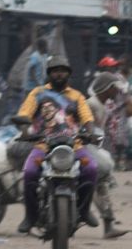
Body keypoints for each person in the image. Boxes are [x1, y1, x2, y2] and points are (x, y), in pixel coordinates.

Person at [14, 58, 100, 233]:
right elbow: (24, 114)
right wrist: (24, 131)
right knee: (29, 173)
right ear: (49, 74)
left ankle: (84, 210)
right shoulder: (37, 93)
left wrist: (90, 133)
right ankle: (31, 216)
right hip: (43, 145)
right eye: (55, 71)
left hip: (74, 145)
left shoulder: (77, 96)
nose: (59, 74)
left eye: (63, 71)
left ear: (68, 74)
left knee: (91, 169)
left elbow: (87, 118)